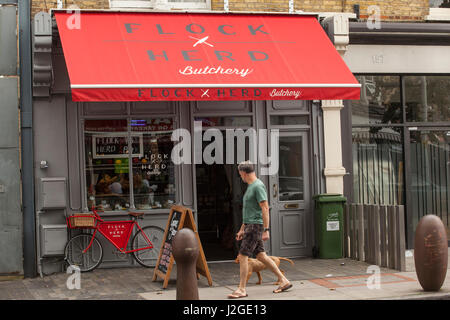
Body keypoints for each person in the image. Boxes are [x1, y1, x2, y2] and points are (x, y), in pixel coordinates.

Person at [228, 161, 292, 299]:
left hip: (255, 227)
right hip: (250, 226)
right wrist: (241, 229)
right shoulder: (251, 187)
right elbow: (249, 211)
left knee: (243, 256)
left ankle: (242, 289)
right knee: (261, 256)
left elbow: (264, 207)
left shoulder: (258, 186)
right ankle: (284, 280)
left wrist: (266, 229)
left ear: (244, 173)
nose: (241, 177)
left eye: (240, 174)